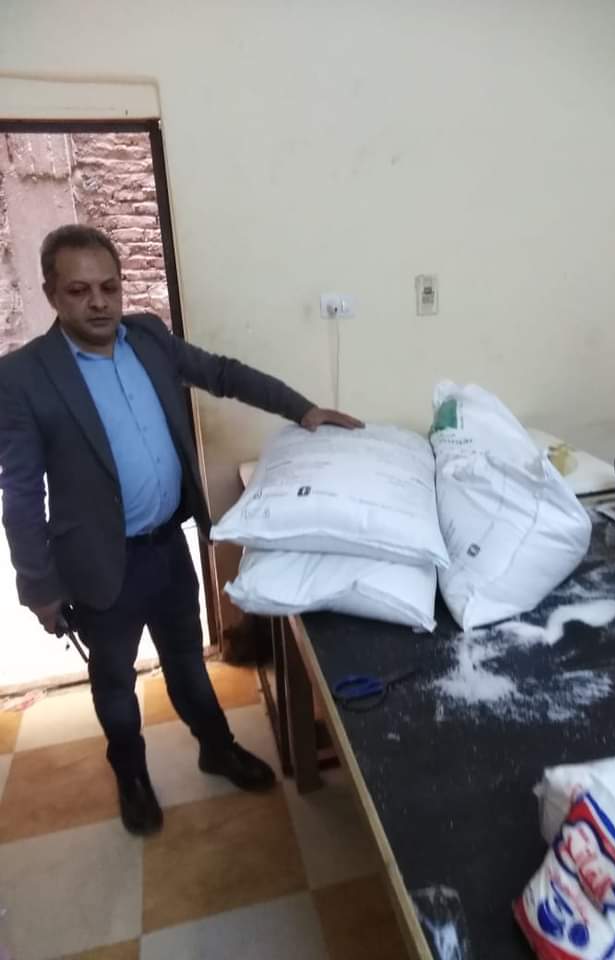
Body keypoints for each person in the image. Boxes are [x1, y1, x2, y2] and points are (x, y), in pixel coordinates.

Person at [0, 224, 362, 836]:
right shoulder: (23, 376)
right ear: (51, 294)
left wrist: (302, 409)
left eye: (109, 287)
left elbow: (223, 373)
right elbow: (20, 494)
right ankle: (132, 777)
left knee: (189, 663)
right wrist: (38, 586)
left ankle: (216, 748)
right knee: (115, 682)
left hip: (168, 548)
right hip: (99, 564)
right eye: (79, 290)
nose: (99, 303)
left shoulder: (147, 337)